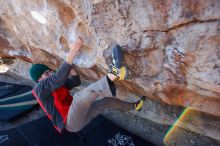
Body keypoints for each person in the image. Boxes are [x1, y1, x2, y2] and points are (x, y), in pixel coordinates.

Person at [29, 37, 146, 133]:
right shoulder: (39, 89)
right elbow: (58, 78)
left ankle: (135, 106)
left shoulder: (54, 87)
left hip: (77, 118)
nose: (50, 73)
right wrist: (73, 51)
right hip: (69, 122)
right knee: (79, 98)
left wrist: (70, 65)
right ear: (39, 79)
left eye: (50, 71)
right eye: (46, 73)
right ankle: (114, 73)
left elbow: (75, 81)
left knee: (107, 102)